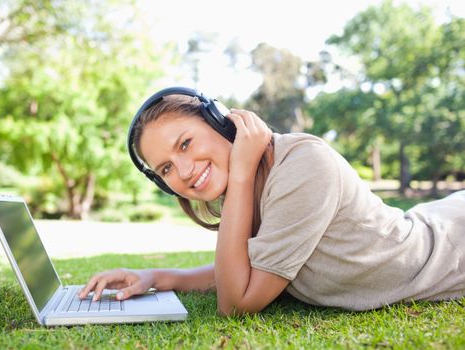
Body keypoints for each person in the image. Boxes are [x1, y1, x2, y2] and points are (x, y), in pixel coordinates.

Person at [79, 88, 465, 315]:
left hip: (449, 250)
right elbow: (245, 269)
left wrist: (243, 174)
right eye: (164, 169)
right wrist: (155, 278)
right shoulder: (247, 188)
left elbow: (236, 302)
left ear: (221, 122)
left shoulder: (303, 165)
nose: (181, 170)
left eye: (185, 143)